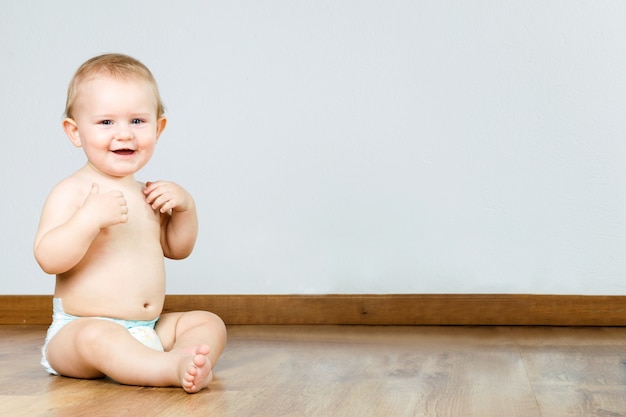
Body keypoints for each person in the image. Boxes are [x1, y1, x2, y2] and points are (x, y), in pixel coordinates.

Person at [34, 53, 227, 393]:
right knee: (99, 337)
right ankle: (164, 367)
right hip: (78, 330)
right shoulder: (74, 191)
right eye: (106, 122)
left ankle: (186, 359)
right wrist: (87, 220)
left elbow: (177, 249)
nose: (124, 134)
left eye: (137, 121)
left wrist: (186, 209)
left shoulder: (148, 194)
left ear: (158, 127)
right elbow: (48, 258)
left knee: (206, 322)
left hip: (146, 329)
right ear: (75, 132)